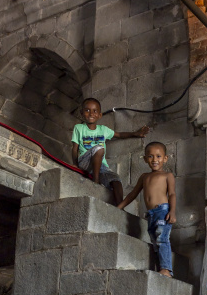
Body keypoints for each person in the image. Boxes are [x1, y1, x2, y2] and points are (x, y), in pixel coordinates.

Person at [71, 98, 149, 205]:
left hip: (100, 166)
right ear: (81, 113)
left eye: (95, 111)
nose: (91, 114)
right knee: (99, 148)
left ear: (100, 115)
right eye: (87, 110)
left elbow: (120, 135)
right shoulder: (78, 128)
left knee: (116, 180)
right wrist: (75, 164)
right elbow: (74, 148)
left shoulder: (103, 129)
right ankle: (96, 183)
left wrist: (136, 134)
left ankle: (120, 208)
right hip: (85, 162)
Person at [117, 142, 176, 278]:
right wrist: (120, 206)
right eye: (150, 156)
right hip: (151, 214)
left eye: (158, 156)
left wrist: (172, 211)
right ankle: (160, 268)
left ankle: (166, 269)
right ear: (145, 159)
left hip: (163, 211)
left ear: (165, 158)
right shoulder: (144, 177)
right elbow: (133, 194)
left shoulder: (167, 175)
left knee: (162, 239)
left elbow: (172, 194)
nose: (154, 160)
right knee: (155, 242)